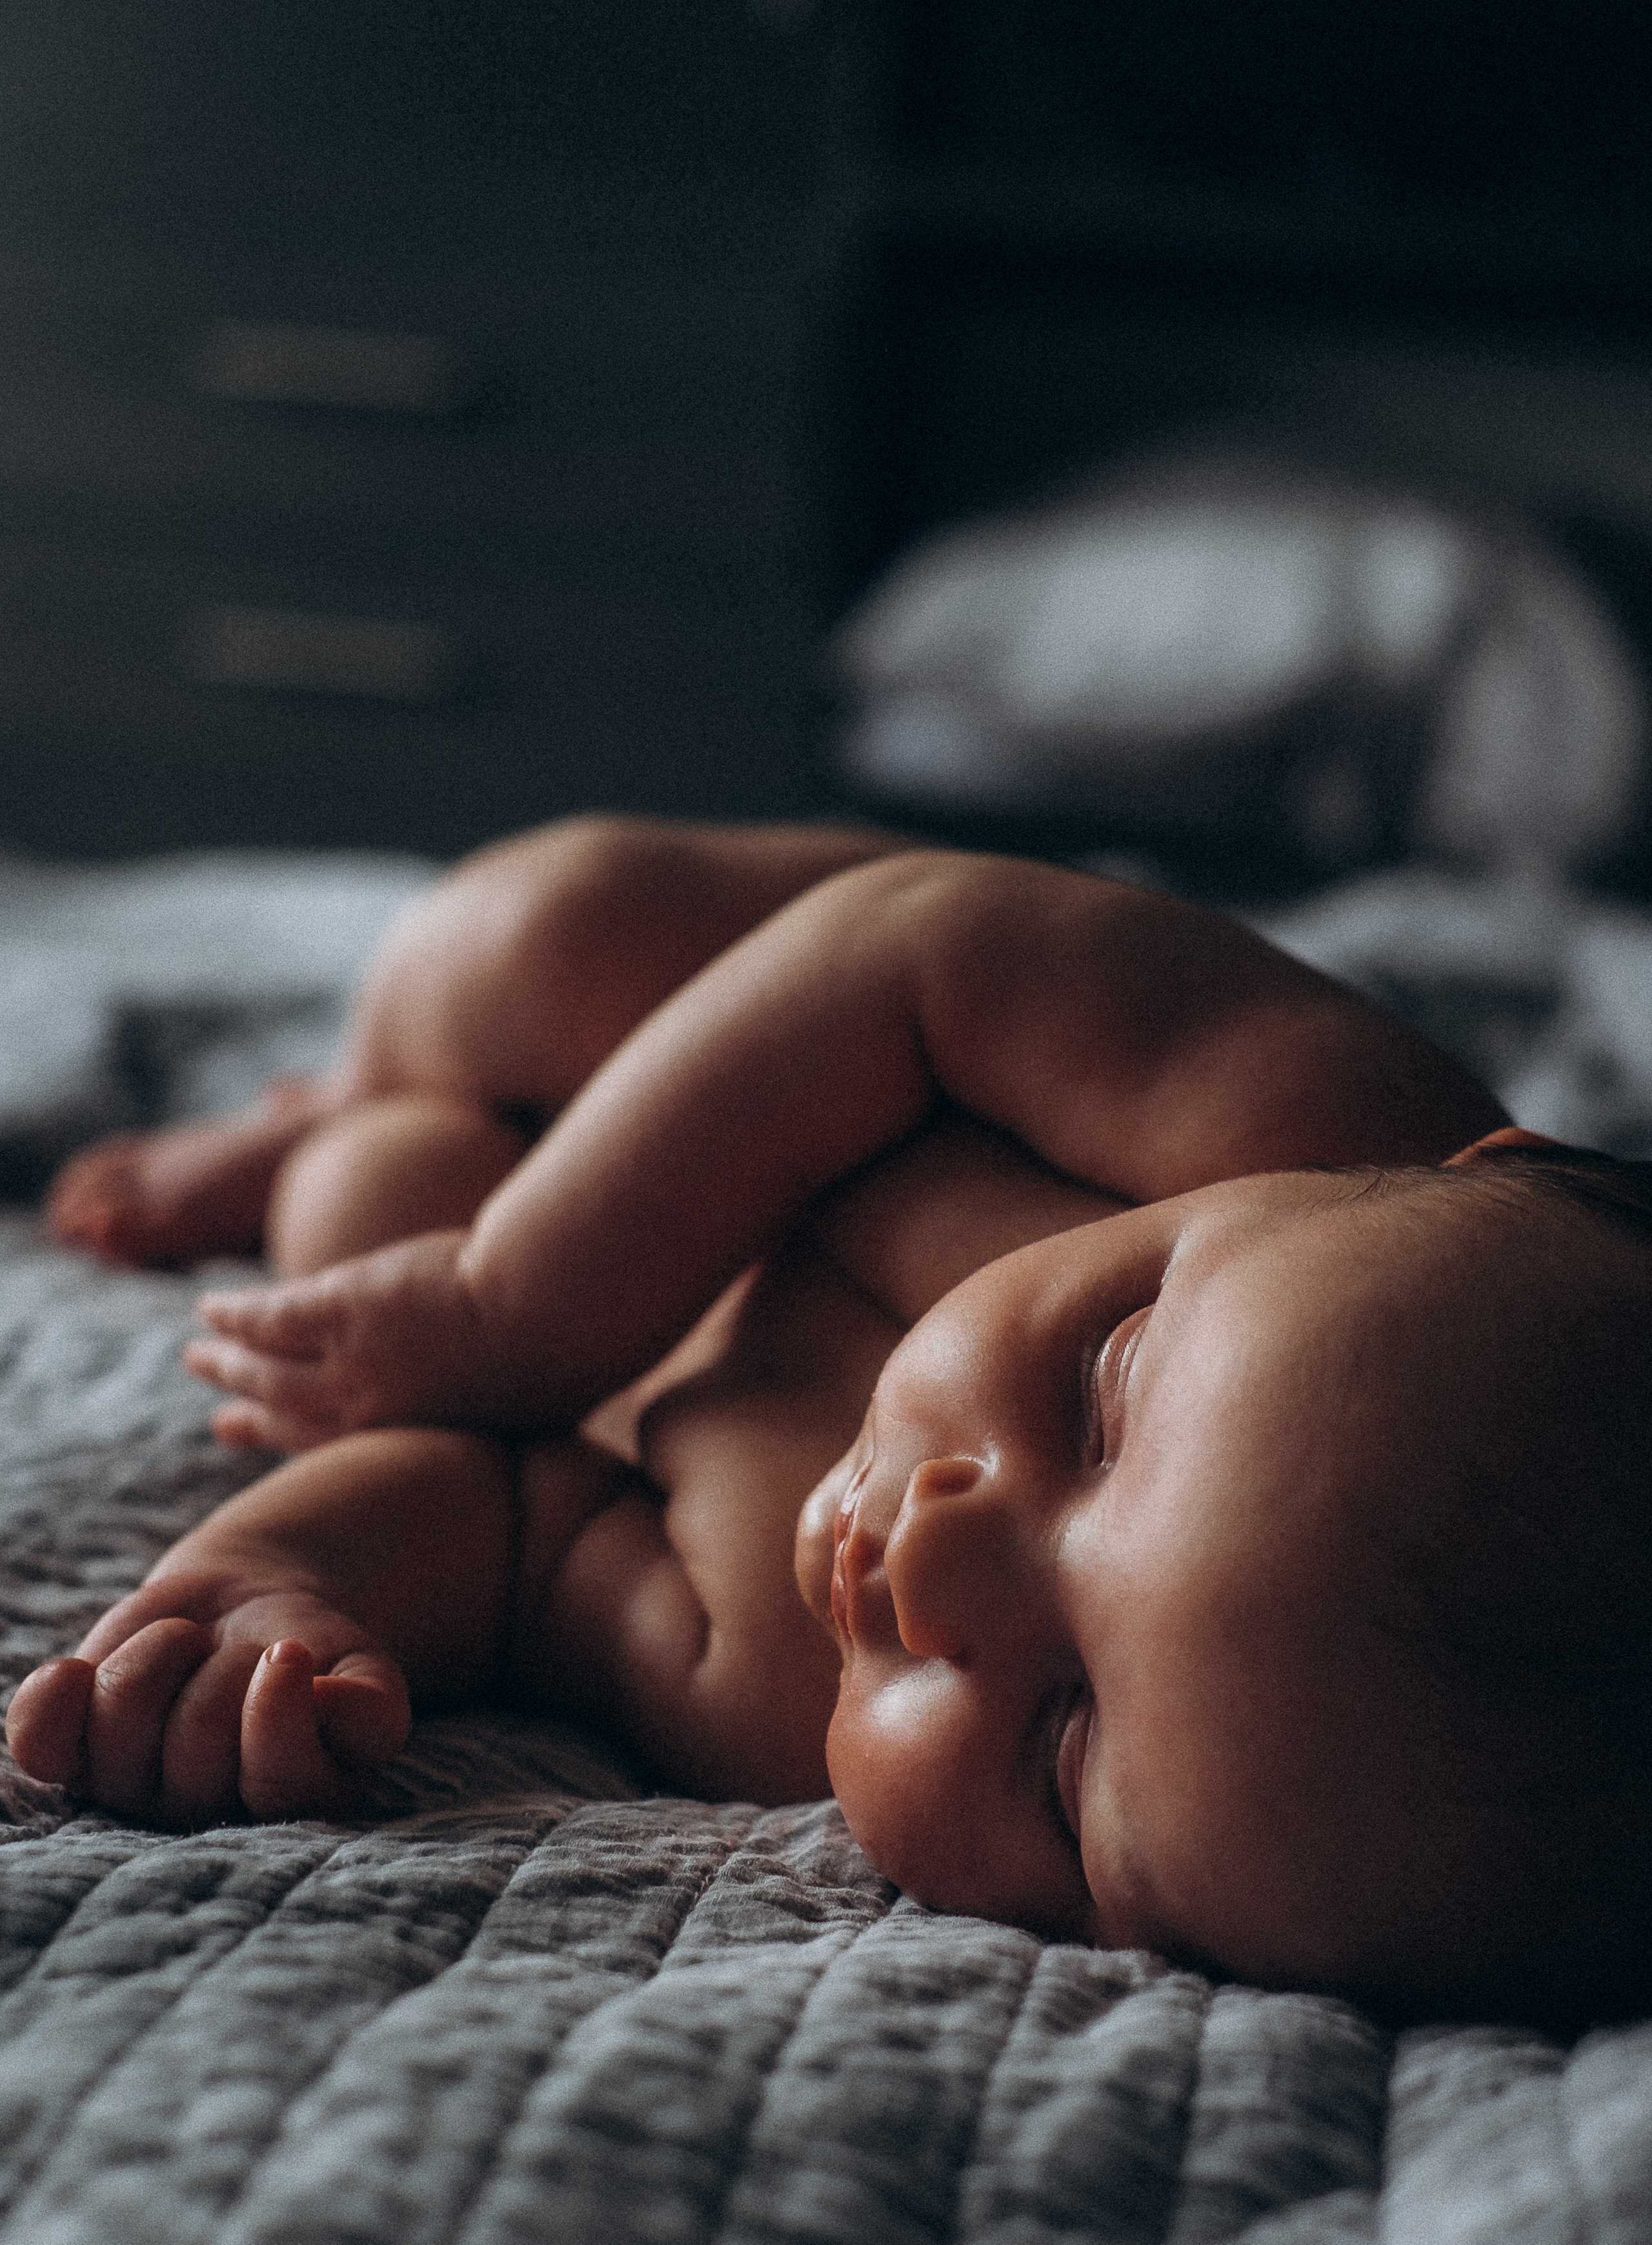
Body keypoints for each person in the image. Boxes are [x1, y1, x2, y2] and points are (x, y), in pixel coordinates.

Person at [12, 818, 1652, 2034]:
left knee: (357, 1222)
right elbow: (920, 949)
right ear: (1480, 1174)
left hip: (582, 1309)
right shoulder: (1334, 1151)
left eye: (1063, 1749)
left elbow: (514, 1529)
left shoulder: (766, 1703)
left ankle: (318, 1146)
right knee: (540, 932)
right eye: (1106, 1390)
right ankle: (355, 1073)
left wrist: (287, 1581)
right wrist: (517, 1299)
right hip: (749, 1036)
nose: (940, 1563)